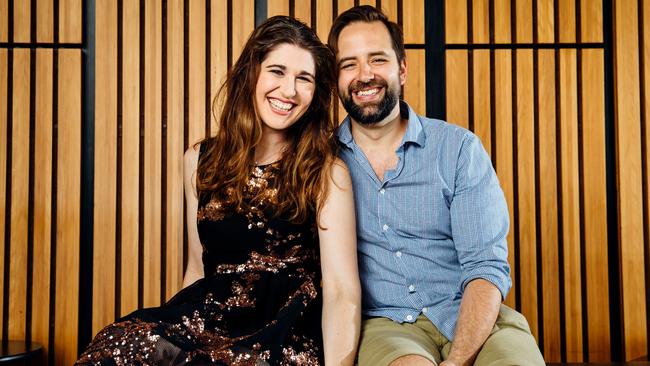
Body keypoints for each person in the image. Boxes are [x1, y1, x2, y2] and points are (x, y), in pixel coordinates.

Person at [76, 16, 360, 366]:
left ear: (315, 93)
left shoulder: (328, 172)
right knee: (118, 344)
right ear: (251, 74)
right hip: (211, 317)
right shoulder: (199, 161)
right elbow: (198, 269)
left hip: (284, 330)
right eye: (277, 71)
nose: (289, 90)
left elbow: (341, 291)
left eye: (304, 79)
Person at [327, 6, 545, 366]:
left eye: (377, 59)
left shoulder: (458, 149)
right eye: (348, 64)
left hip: (475, 316)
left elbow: (485, 267)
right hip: (385, 326)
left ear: (402, 68)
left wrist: (458, 359)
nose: (364, 75)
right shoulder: (321, 161)